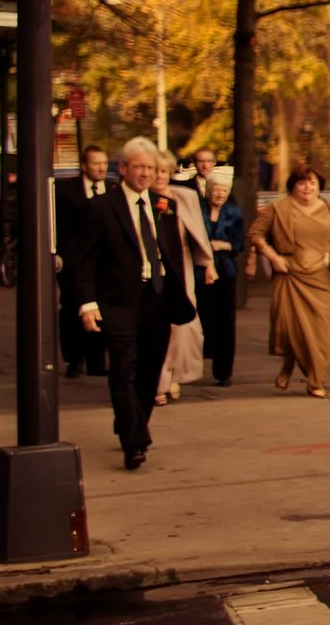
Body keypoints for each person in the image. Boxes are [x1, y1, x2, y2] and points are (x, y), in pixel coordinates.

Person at [71, 136, 199, 470]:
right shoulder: (102, 207)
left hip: (156, 299)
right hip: (118, 302)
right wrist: (87, 303)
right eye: (139, 167)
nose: (145, 174)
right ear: (124, 168)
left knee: (149, 370)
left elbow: (169, 256)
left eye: (151, 168)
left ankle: (131, 421)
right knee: (124, 370)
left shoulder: (162, 207)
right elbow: (82, 261)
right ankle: (134, 441)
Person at [251, 162, 330, 398]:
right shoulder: (277, 208)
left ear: (319, 186)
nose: (307, 187)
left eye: (312, 182)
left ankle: (316, 379)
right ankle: (290, 366)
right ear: (293, 185)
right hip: (289, 274)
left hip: (321, 277)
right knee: (291, 329)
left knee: (320, 333)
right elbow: (256, 234)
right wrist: (273, 257)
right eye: (302, 182)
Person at [158, 156, 217, 403]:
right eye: (156, 170)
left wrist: (209, 264)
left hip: (181, 269)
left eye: (164, 171)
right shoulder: (140, 199)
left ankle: (173, 375)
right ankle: (159, 382)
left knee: (183, 328)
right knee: (158, 328)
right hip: (154, 271)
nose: (160, 176)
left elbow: (198, 232)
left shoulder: (184, 197)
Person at [54, 145, 112, 377]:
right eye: (96, 163)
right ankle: (74, 359)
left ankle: (97, 361)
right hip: (72, 261)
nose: (101, 168)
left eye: (104, 163)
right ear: (84, 166)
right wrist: (57, 253)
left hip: (102, 262)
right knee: (71, 308)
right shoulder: (65, 191)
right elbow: (57, 224)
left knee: (101, 309)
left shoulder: (113, 189)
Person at [198, 170, 243, 386]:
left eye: (224, 191)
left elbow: (239, 244)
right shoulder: (198, 210)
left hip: (225, 271)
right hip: (199, 272)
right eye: (216, 190)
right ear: (208, 191)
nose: (220, 194)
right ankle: (195, 362)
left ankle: (224, 371)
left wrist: (222, 245)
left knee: (225, 323)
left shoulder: (234, 213)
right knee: (200, 318)